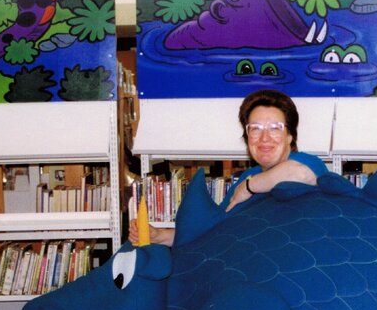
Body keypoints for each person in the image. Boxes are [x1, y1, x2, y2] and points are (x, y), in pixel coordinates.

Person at [128, 89, 327, 246]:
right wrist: (159, 235)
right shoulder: (247, 177)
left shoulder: (308, 163)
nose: (264, 138)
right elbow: (214, 231)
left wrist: (250, 187)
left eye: (275, 128)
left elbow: (301, 173)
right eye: (255, 129)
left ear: (290, 136)